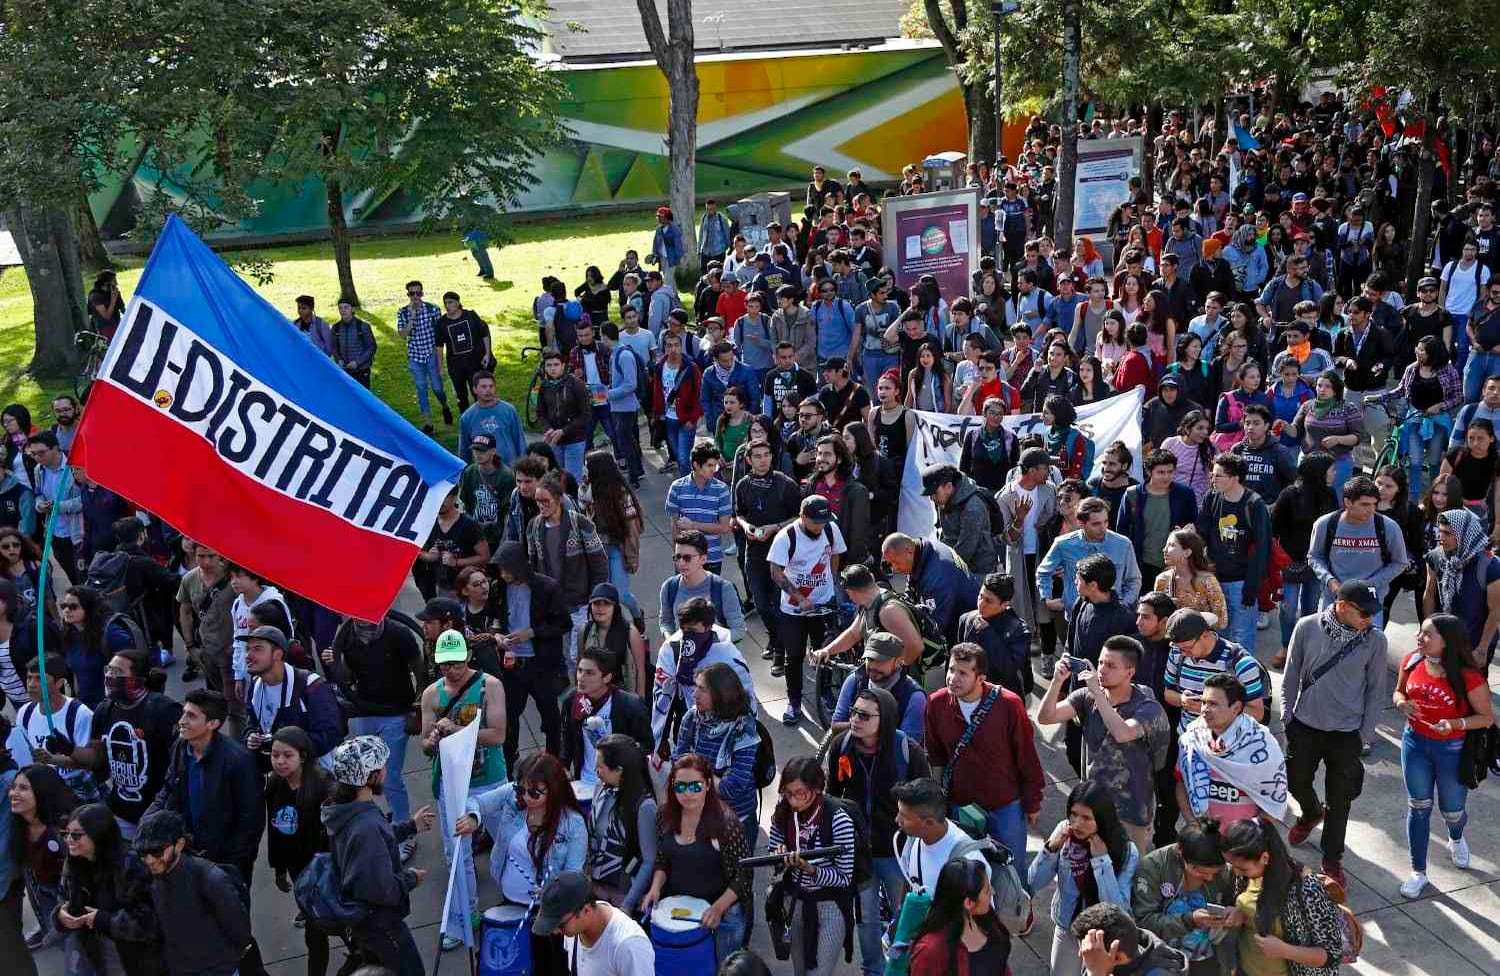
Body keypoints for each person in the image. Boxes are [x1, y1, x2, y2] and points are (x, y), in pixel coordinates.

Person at [1281, 579, 1388, 887]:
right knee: (1295, 780)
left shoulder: (1375, 641)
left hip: (1347, 733)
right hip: (1305, 725)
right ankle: (1310, 811)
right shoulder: (1306, 626)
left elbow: (1375, 689)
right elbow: (1290, 674)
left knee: (1340, 799)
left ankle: (1332, 857)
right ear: (1341, 606)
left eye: (1372, 614)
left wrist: (1364, 735)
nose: (1369, 619)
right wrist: (1288, 717)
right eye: (1363, 613)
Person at [825, 684, 931, 975]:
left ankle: (902, 967)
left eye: (864, 715)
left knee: (905, 915)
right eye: (854, 713)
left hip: (897, 853)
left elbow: (928, 799)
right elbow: (831, 795)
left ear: (883, 720)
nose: (856, 720)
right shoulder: (841, 746)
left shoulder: (907, 751)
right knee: (867, 916)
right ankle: (872, 969)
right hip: (859, 852)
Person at [1393, 613, 1494, 897]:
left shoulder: (1468, 677)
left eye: (1427, 635)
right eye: (1420, 632)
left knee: (1453, 811)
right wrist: (1402, 704)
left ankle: (1456, 836)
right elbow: (1398, 692)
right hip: (1415, 744)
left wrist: (1455, 724)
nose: (1419, 638)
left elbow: (1486, 718)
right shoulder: (1412, 661)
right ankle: (1418, 872)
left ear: (1447, 642)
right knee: (1419, 805)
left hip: (1451, 750)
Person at [1039, 637, 1170, 857]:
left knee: (1130, 875)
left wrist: (1099, 696)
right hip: (1092, 809)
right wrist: (1057, 681)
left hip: (1132, 811)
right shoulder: (1086, 698)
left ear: (1129, 672)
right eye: (1100, 663)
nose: (1101, 670)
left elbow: (1123, 733)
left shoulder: (1147, 706)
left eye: (1111, 665)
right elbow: (1045, 717)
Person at [456, 752, 587, 967]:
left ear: (554, 790)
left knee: (547, 965)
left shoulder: (573, 824)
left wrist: (552, 890)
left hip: (547, 911)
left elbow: (574, 875)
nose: (525, 797)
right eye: (521, 789)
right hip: (509, 899)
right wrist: (473, 818)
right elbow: (477, 802)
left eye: (535, 793)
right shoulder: (512, 796)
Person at [419, 628, 506, 948]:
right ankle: (465, 916)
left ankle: (525, 897)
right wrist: (432, 740)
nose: (451, 670)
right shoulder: (431, 694)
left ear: (468, 657)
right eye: (444, 665)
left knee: (510, 841)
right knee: (457, 854)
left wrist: (456, 730)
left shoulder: (490, 686)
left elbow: (498, 736)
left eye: (456, 663)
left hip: (491, 781)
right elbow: (426, 748)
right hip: (452, 785)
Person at [925, 643, 1044, 870]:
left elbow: (1026, 756)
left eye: (962, 673)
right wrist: (938, 798)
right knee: (968, 872)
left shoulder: (1009, 704)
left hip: (1005, 805)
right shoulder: (937, 703)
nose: (952, 678)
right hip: (962, 805)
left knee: (1012, 873)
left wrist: (1033, 801)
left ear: (980, 678)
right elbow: (936, 755)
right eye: (951, 670)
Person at [322, 737, 433, 976]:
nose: (385, 771)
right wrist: (411, 878)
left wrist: (409, 827)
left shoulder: (346, 810)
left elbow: (373, 844)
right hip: (382, 925)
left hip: (365, 925)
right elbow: (381, 889)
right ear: (369, 777)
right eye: (381, 767)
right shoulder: (367, 826)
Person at [321, 614, 423, 858]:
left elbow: (420, 670)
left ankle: (405, 829)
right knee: (362, 775)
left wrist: (417, 708)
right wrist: (334, 663)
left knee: (390, 776)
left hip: (396, 713)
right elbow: (346, 677)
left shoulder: (399, 633)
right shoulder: (346, 636)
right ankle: (379, 822)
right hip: (364, 711)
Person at [143, 689, 264, 887]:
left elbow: (251, 820)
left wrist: (233, 863)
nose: (181, 721)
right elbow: (168, 791)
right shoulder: (181, 748)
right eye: (183, 713)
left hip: (226, 864)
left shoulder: (239, 761)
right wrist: (147, 823)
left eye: (191, 716)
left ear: (213, 724)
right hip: (188, 855)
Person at [639, 754, 752, 961]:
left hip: (721, 913)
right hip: (680, 910)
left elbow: (743, 876)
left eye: (695, 786)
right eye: (680, 787)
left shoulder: (727, 824)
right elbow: (663, 858)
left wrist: (718, 908)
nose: (688, 793)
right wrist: (655, 887)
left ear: (708, 784)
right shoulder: (664, 815)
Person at [1029, 781, 1141, 976]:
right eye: (1073, 814)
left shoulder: (1127, 851)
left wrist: (1101, 862)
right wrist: (1051, 849)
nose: (1077, 823)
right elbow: (1033, 882)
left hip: (1103, 937)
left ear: (1102, 819)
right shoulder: (1064, 832)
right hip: (1067, 927)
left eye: (1086, 818)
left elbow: (1118, 910)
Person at [71, 649, 180, 839]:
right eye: (108, 670)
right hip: (121, 812)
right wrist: (67, 750)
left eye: (117, 672)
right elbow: (98, 759)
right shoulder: (104, 710)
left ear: (138, 678)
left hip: (159, 814)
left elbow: (181, 763)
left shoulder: (163, 709)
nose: (109, 676)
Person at [765, 757, 857, 976]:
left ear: (817, 789)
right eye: (788, 793)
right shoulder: (784, 811)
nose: (794, 801)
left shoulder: (838, 820)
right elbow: (774, 846)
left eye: (801, 793)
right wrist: (779, 856)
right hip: (795, 902)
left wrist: (811, 870)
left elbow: (844, 877)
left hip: (830, 906)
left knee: (818, 973)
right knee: (800, 970)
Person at [132, 809, 252, 976]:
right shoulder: (152, 878)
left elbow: (239, 928)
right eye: (143, 854)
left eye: (158, 851)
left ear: (180, 844)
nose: (150, 860)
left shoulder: (210, 878)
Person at [1219, 818, 1345, 976]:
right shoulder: (1243, 876)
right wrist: (1238, 913)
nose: (1236, 872)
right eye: (1231, 865)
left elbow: (1331, 955)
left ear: (1264, 858)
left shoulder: (1307, 889)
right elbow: (1251, 911)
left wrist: (1285, 951)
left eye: (1242, 868)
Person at [53, 801, 160, 976]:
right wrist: (60, 915)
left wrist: (104, 920)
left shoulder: (132, 865)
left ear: (98, 835)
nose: (69, 840)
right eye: (66, 834)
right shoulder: (73, 864)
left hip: (136, 960)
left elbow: (149, 922)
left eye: (77, 835)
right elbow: (63, 898)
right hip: (98, 956)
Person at [768, 496, 846, 724]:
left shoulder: (830, 529)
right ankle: (794, 702)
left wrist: (832, 579)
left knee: (827, 652)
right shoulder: (786, 538)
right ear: (803, 517)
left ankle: (825, 694)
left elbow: (836, 553)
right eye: (816, 523)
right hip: (794, 611)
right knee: (794, 657)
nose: (821, 527)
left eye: (824, 522)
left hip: (824, 604)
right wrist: (800, 598)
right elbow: (776, 572)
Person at [1176, 673, 1288, 828]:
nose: (1205, 710)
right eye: (1203, 702)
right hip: (1202, 840)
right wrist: (1193, 824)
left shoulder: (1262, 745)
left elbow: (1274, 801)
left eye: (1213, 704)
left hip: (1243, 845)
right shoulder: (1192, 739)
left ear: (1236, 708)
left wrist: (1249, 835)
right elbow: (1181, 782)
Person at [263, 728, 331, 976]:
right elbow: (274, 829)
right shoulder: (273, 784)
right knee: (315, 924)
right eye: (275, 755)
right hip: (296, 868)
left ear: (302, 756)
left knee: (317, 933)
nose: (280, 761)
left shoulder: (324, 785)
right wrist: (279, 869)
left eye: (287, 755)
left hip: (324, 870)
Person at [1130, 822, 1236, 974]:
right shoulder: (1152, 867)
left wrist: (1234, 913)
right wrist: (1189, 920)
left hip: (1209, 957)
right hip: (1163, 958)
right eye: (1200, 872)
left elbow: (1238, 902)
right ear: (1180, 851)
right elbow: (1144, 922)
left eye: (1215, 872)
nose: (1210, 878)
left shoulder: (1226, 870)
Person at [1193, 453, 1271, 651]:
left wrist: (1252, 586)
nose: (1213, 480)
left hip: (1241, 581)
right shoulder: (1212, 496)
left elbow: (1263, 548)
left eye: (1218, 476)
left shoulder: (1254, 504)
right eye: (1212, 475)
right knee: (1219, 634)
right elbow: (1201, 531)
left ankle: (1245, 680)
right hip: (1215, 578)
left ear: (1235, 477)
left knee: (1242, 637)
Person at [734, 436, 802, 662]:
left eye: (767, 455)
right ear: (749, 460)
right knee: (761, 604)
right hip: (754, 553)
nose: (763, 461)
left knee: (778, 603)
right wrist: (746, 526)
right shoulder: (743, 485)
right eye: (757, 456)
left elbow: (799, 517)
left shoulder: (785, 483)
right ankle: (775, 638)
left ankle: (780, 650)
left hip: (781, 555)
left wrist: (776, 527)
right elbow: (739, 513)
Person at [1269, 453, 1338, 668]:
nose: (1334, 474)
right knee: (1288, 608)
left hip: (1317, 564)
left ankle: (1304, 648)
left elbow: (1334, 527)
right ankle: (1286, 645)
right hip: (1291, 561)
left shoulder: (1329, 494)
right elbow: (1274, 527)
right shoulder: (1290, 495)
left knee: (1310, 609)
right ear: (1318, 472)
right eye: (1331, 469)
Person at [241, 626, 342, 772]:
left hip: (315, 776)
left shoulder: (311, 685)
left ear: (278, 654)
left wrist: (286, 743)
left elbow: (330, 735)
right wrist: (251, 736)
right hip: (278, 775)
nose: (248, 655)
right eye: (247, 649)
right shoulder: (255, 686)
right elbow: (252, 722)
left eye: (257, 649)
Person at [1307, 475, 1408, 620]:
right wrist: (1330, 580)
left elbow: (1400, 562)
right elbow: (1314, 557)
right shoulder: (1325, 524)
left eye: (1374, 504)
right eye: (1365, 505)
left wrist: (1371, 584)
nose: (1371, 510)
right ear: (1348, 502)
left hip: (1371, 604)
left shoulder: (1388, 527)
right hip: (1334, 602)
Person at [1038, 496, 1144, 631]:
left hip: (1112, 618)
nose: (1103, 528)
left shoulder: (1122, 544)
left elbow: (1134, 580)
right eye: (1096, 524)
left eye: (1105, 522)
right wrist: (1047, 598)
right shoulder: (1063, 544)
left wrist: (1123, 605)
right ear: (1081, 523)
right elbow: (1043, 572)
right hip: (1075, 618)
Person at [7, 655, 100, 804]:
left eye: (39, 679)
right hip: (42, 789)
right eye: (29, 678)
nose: (31, 684)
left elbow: (88, 762)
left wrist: (52, 759)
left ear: (60, 683)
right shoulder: (25, 713)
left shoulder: (79, 714)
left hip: (77, 789)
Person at [562, 645, 652, 791]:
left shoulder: (630, 705)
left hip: (621, 786)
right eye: (579, 671)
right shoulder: (572, 700)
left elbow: (646, 747)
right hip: (585, 783)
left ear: (607, 677)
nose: (581, 678)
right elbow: (566, 737)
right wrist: (564, 766)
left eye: (589, 673)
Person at [584, 735, 658, 912]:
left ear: (618, 770)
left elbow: (649, 861)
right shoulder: (600, 789)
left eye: (600, 766)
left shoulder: (644, 805)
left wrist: (628, 904)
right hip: (595, 887)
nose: (596, 770)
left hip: (622, 893)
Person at [11, 763, 77, 958]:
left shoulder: (66, 832)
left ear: (42, 792)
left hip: (70, 902)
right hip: (46, 898)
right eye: (13, 787)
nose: (13, 793)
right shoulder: (20, 826)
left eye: (23, 788)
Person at [533, 871, 655, 976]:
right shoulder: (574, 929)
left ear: (586, 910)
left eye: (560, 925)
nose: (555, 931)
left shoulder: (629, 946)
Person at [908, 856, 1011, 976]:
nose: (993, 892)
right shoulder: (930, 951)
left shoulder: (988, 920)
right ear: (968, 903)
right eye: (987, 890)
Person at [880, 532, 982, 646]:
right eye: (890, 563)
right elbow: (912, 584)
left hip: (969, 630)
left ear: (909, 551)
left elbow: (935, 628)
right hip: (955, 607)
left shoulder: (937, 577)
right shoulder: (922, 549)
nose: (894, 569)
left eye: (896, 562)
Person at [1117, 451, 1198, 586]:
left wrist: (1187, 531)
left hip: (1176, 566)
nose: (1166, 477)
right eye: (1161, 472)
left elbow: (1194, 526)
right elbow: (1122, 531)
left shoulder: (1185, 495)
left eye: (1170, 472)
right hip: (1141, 566)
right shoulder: (1132, 495)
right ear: (1149, 472)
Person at [659, 529, 746, 642]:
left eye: (687, 558)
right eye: (677, 557)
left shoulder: (723, 588)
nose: (680, 563)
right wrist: (671, 642)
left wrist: (705, 642)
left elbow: (739, 630)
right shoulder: (669, 587)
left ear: (703, 559)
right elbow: (666, 623)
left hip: (715, 654)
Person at [956, 573, 1032, 698]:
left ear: (1005, 605)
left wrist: (988, 633)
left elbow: (1009, 669)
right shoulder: (966, 619)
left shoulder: (1018, 631)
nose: (981, 604)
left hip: (1002, 696)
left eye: (988, 601)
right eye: (980, 596)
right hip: (970, 694)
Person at [921, 463, 999, 575]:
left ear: (948, 486)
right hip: (959, 564)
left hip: (979, 571)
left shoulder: (973, 508)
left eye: (935, 493)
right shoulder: (944, 500)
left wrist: (942, 571)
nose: (932, 498)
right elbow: (947, 537)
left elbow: (966, 549)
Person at [395, 280, 452, 433]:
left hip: (431, 353)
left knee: (437, 388)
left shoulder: (433, 309)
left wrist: (441, 359)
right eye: (412, 293)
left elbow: (440, 333)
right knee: (421, 388)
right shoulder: (403, 312)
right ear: (408, 295)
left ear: (422, 293)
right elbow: (402, 334)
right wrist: (412, 317)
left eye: (418, 293)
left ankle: (445, 406)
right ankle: (428, 423)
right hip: (415, 355)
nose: (415, 296)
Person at [458, 433, 515, 551]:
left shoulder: (506, 476)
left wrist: (504, 540)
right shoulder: (469, 472)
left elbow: (508, 512)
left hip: (496, 537)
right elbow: (466, 504)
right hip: (474, 537)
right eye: (475, 450)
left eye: (482, 450)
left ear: (493, 451)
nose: (478, 454)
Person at [457, 371, 528, 466]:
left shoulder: (509, 410)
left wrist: (524, 465)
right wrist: (464, 473)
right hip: (483, 472)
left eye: (491, 386)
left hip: (510, 468)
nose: (488, 390)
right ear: (474, 389)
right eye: (483, 387)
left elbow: (520, 441)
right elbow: (464, 450)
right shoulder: (467, 417)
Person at [331, 297, 377, 387]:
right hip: (345, 371)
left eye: (346, 307)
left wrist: (357, 362)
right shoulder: (336, 328)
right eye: (340, 308)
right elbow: (334, 347)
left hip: (362, 371)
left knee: (363, 398)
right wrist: (339, 360)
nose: (343, 310)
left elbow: (371, 347)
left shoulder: (362, 326)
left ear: (352, 309)